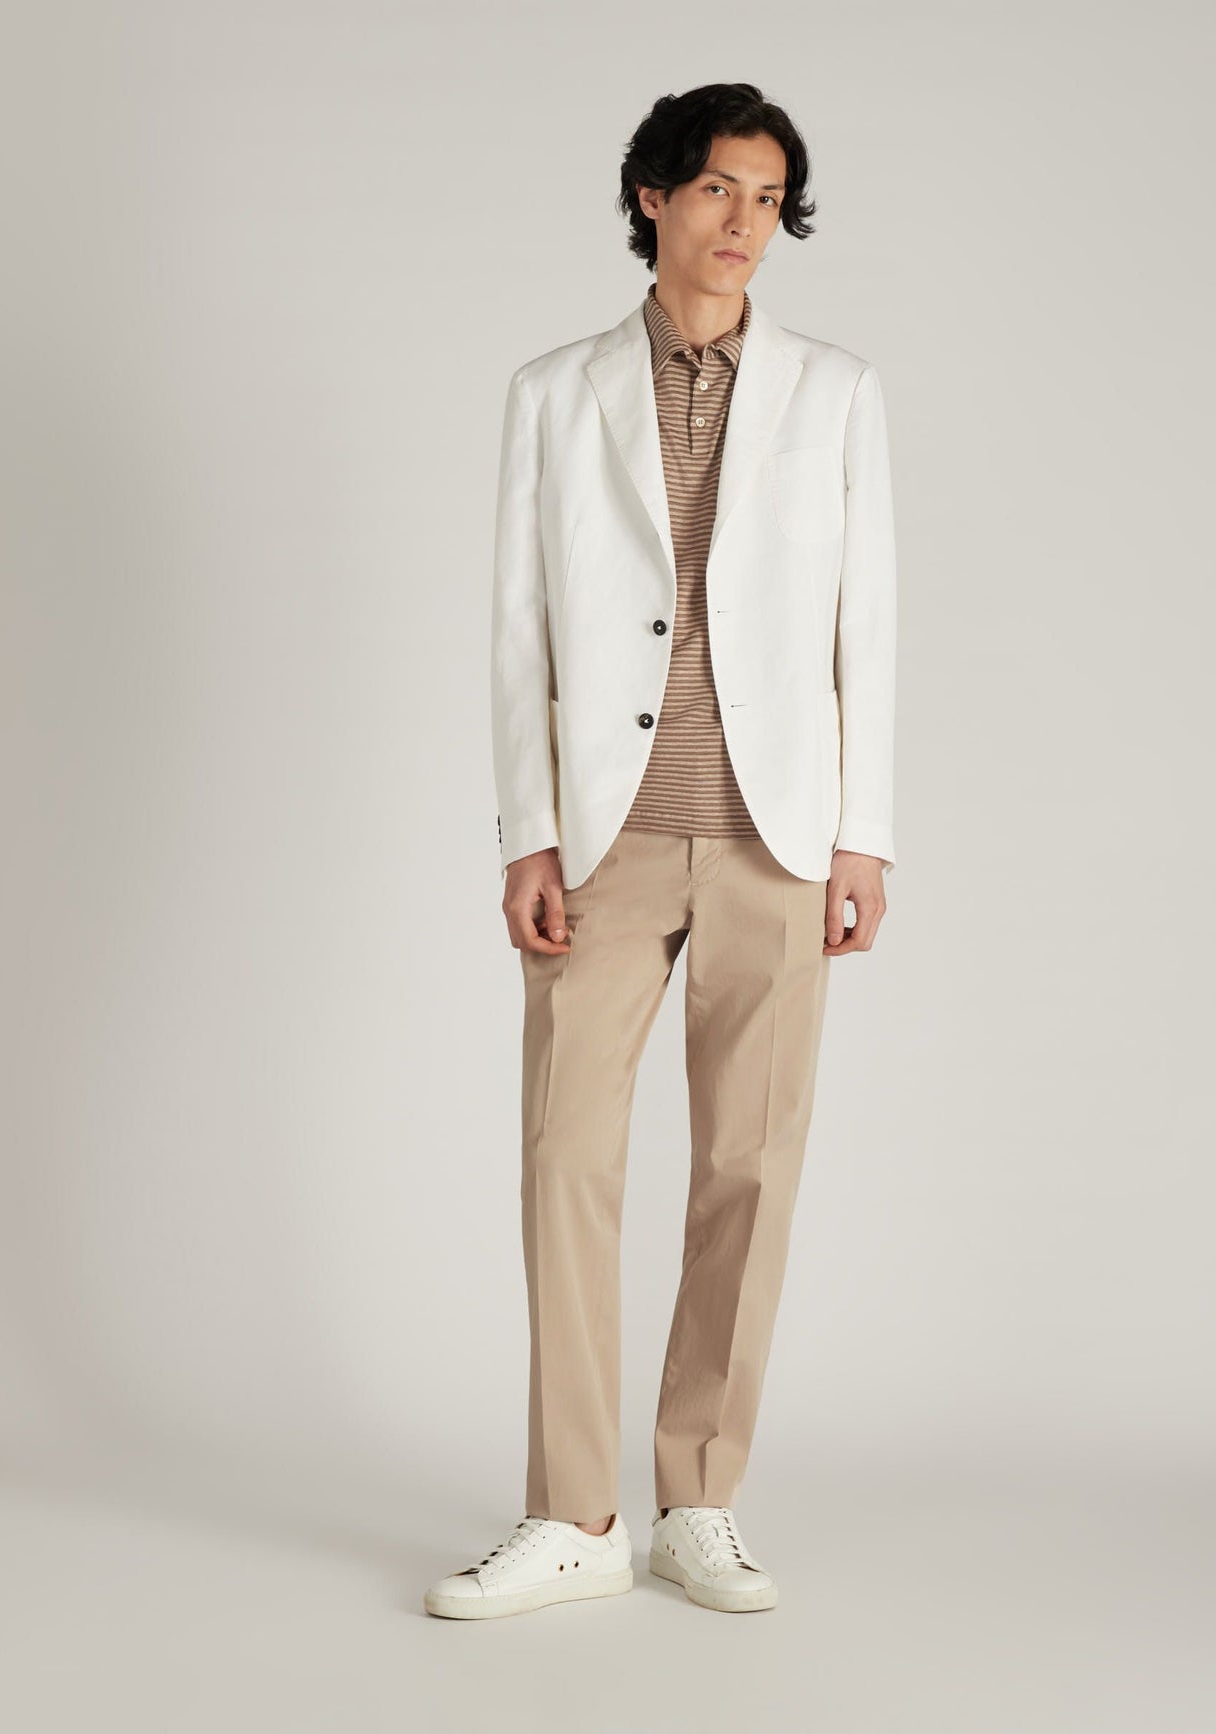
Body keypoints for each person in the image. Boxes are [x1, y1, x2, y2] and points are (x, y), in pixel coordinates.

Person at [425, 81, 897, 1622]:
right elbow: (518, 628)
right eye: (714, 190)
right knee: (565, 1156)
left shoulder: (836, 393)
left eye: (766, 197)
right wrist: (527, 832)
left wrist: (863, 834)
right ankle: (574, 1512)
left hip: (774, 833)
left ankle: (700, 1499)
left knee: (748, 1167)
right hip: (606, 835)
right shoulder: (554, 392)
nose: (742, 221)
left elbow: (868, 623)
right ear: (651, 197)